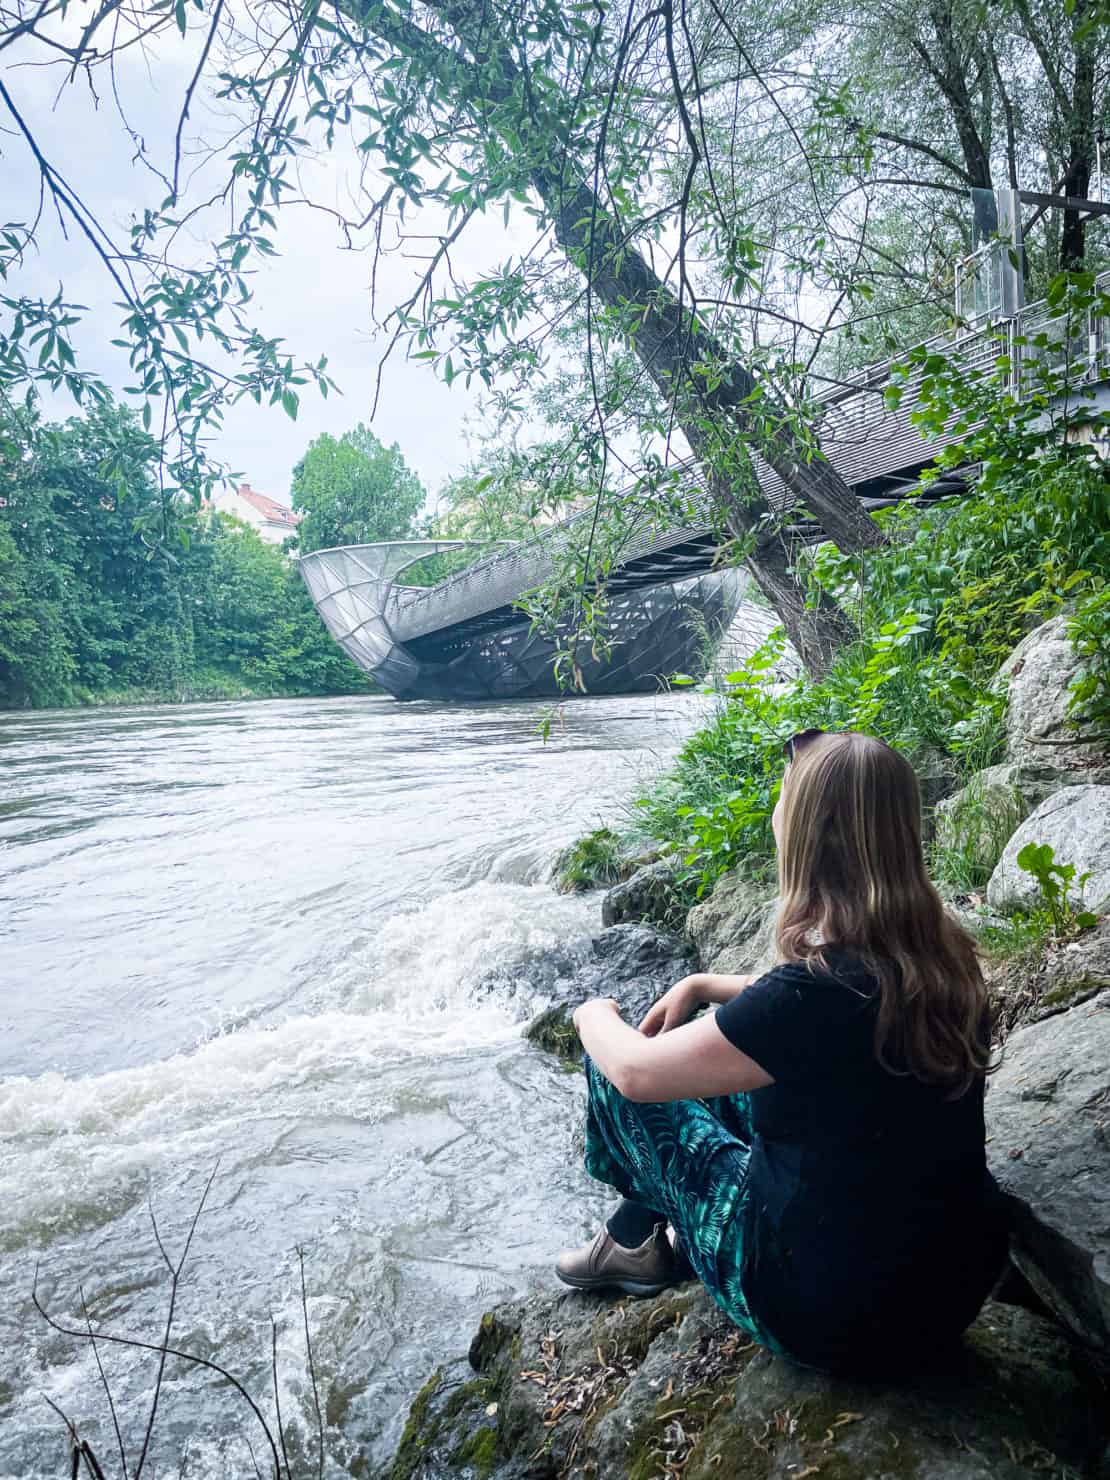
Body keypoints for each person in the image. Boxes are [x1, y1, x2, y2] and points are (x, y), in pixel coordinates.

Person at [556, 729, 1008, 1376]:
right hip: (948, 1296)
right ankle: (634, 1230)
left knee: (615, 1063)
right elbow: (820, 1015)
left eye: (784, 798)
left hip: (824, 1317)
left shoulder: (809, 996)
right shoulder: (945, 958)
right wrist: (704, 984)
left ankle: (637, 1243)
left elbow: (634, 1074)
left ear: (806, 836)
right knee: (719, 1063)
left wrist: (589, 1014)